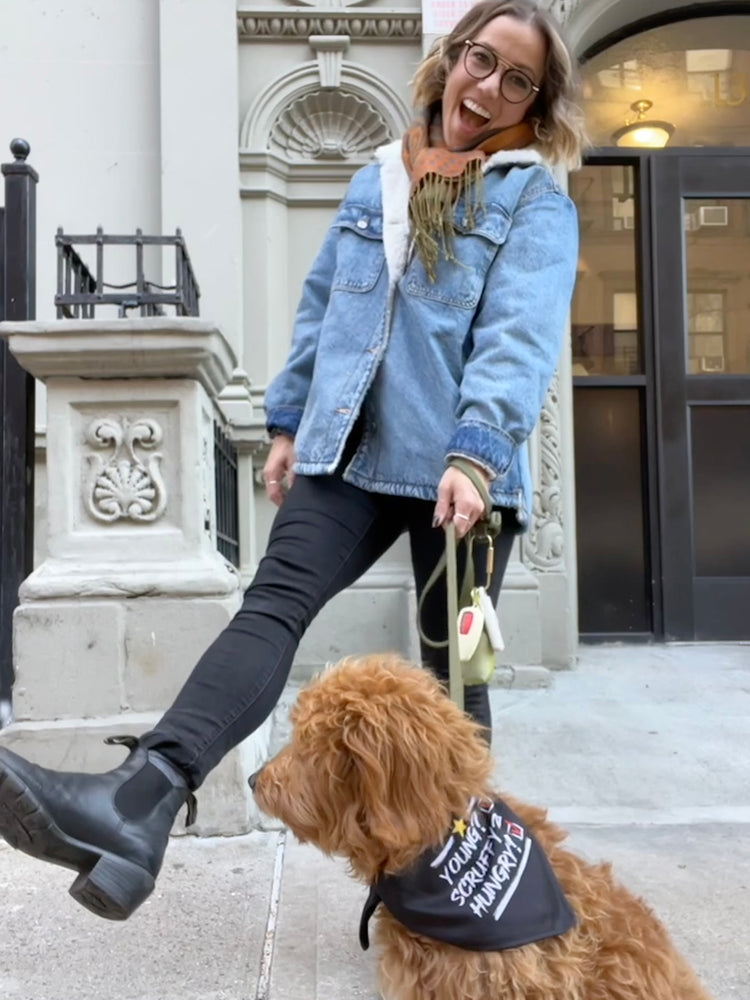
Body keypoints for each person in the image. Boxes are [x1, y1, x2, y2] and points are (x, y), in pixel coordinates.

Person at [0, 0, 586, 922]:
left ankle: (459, 898)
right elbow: (325, 313)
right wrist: (287, 423)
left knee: (451, 679)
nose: (490, 88)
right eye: (483, 60)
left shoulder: (533, 201)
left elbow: (518, 340)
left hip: (459, 471)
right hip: (350, 450)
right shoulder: (378, 176)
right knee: (269, 610)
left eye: (519, 80)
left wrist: (475, 456)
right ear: (453, 57)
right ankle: (137, 805)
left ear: (536, 104)